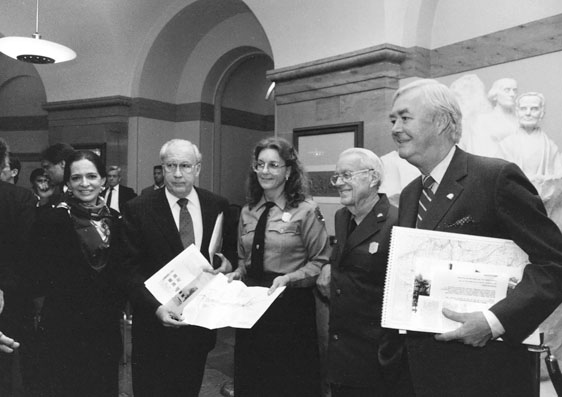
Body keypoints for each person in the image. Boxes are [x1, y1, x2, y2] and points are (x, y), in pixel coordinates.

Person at [389, 78, 562, 396]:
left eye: (404, 117)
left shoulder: (495, 178)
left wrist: (494, 321)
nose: (395, 128)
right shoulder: (412, 193)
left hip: (484, 374)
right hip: (421, 373)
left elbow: (554, 264)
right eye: (392, 120)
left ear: (441, 121)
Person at [119, 139, 237, 397]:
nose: (177, 173)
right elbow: (129, 268)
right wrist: (156, 308)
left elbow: (229, 253)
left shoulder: (216, 205)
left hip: (198, 326)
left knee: (188, 389)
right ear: (162, 168)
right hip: (154, 325)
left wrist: (228, 265)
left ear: (198, 168)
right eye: (170, 165)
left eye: (185, 165)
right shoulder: (139, 208)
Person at [227, 137, 330, 397]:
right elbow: (244, 258)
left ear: (288, 170)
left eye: (273, 165)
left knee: (289, 382)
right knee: (253, 380)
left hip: (290, 307)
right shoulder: (248, 210)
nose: (265, 171)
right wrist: (237, 272)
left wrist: (289, 279)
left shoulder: (306, 210)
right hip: (251, 308)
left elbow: (320, 261)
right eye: (260, 164)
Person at [30, 150, 127, 396]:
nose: (85, 184)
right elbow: (38, 273)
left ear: (103, 180)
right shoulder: (52, 219)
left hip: (104, 327)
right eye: (76, 178)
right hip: (65, 328)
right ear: (68, 183)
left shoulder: (116, 220)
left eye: (92, 176)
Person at [316, 148, 409, 397]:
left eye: (346, 175)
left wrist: (388, 354)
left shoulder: (397, 223)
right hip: (342, 351)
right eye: (337, 177)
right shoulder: (342, 217)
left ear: (373, 177)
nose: (339, 183)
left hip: (376, 358)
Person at [0, 138, 36, 395]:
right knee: (15, 370)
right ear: (4, 163)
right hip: (15, 295)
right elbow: (27, 250)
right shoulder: (21, 197)